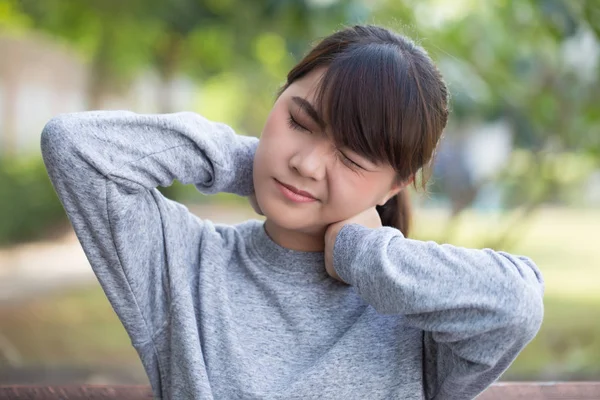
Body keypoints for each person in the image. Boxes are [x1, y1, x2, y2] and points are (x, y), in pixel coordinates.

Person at [41, 25, 544, 400]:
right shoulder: (182, 266)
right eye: (299, 122)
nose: (305, 163)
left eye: (350, 158)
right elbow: (76, 147)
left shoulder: (415, 318)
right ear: (278, 99)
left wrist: (362, 255)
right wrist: (252, 164)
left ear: (394, 185)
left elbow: (517, 304)